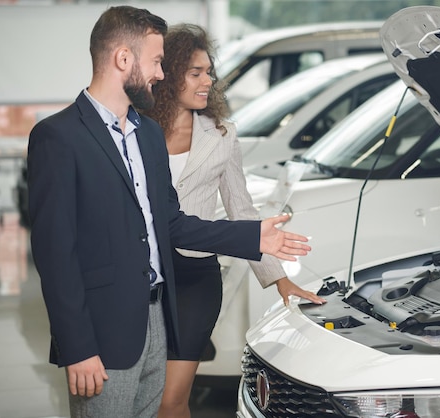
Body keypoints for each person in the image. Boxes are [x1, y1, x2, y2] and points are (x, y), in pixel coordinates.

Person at [27, 6, 313, 418]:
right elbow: (56, 257)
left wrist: (253, 238)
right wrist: (78, 347)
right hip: (105, 330)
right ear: (124, 59)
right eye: (157, 61)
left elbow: (172, 223)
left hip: (161, 316)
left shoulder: (145, 136)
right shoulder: (58, 137)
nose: (161, 74)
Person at [143, 23, 326, 418]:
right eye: (196, 73)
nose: (209, 80)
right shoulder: (138, 130)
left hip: (195, 278)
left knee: (170, 400)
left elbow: (242, 210)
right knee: (143, 395)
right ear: (170, 74)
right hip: (144, 277)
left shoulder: (222, 135)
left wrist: (279, 278)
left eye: (209, 72)